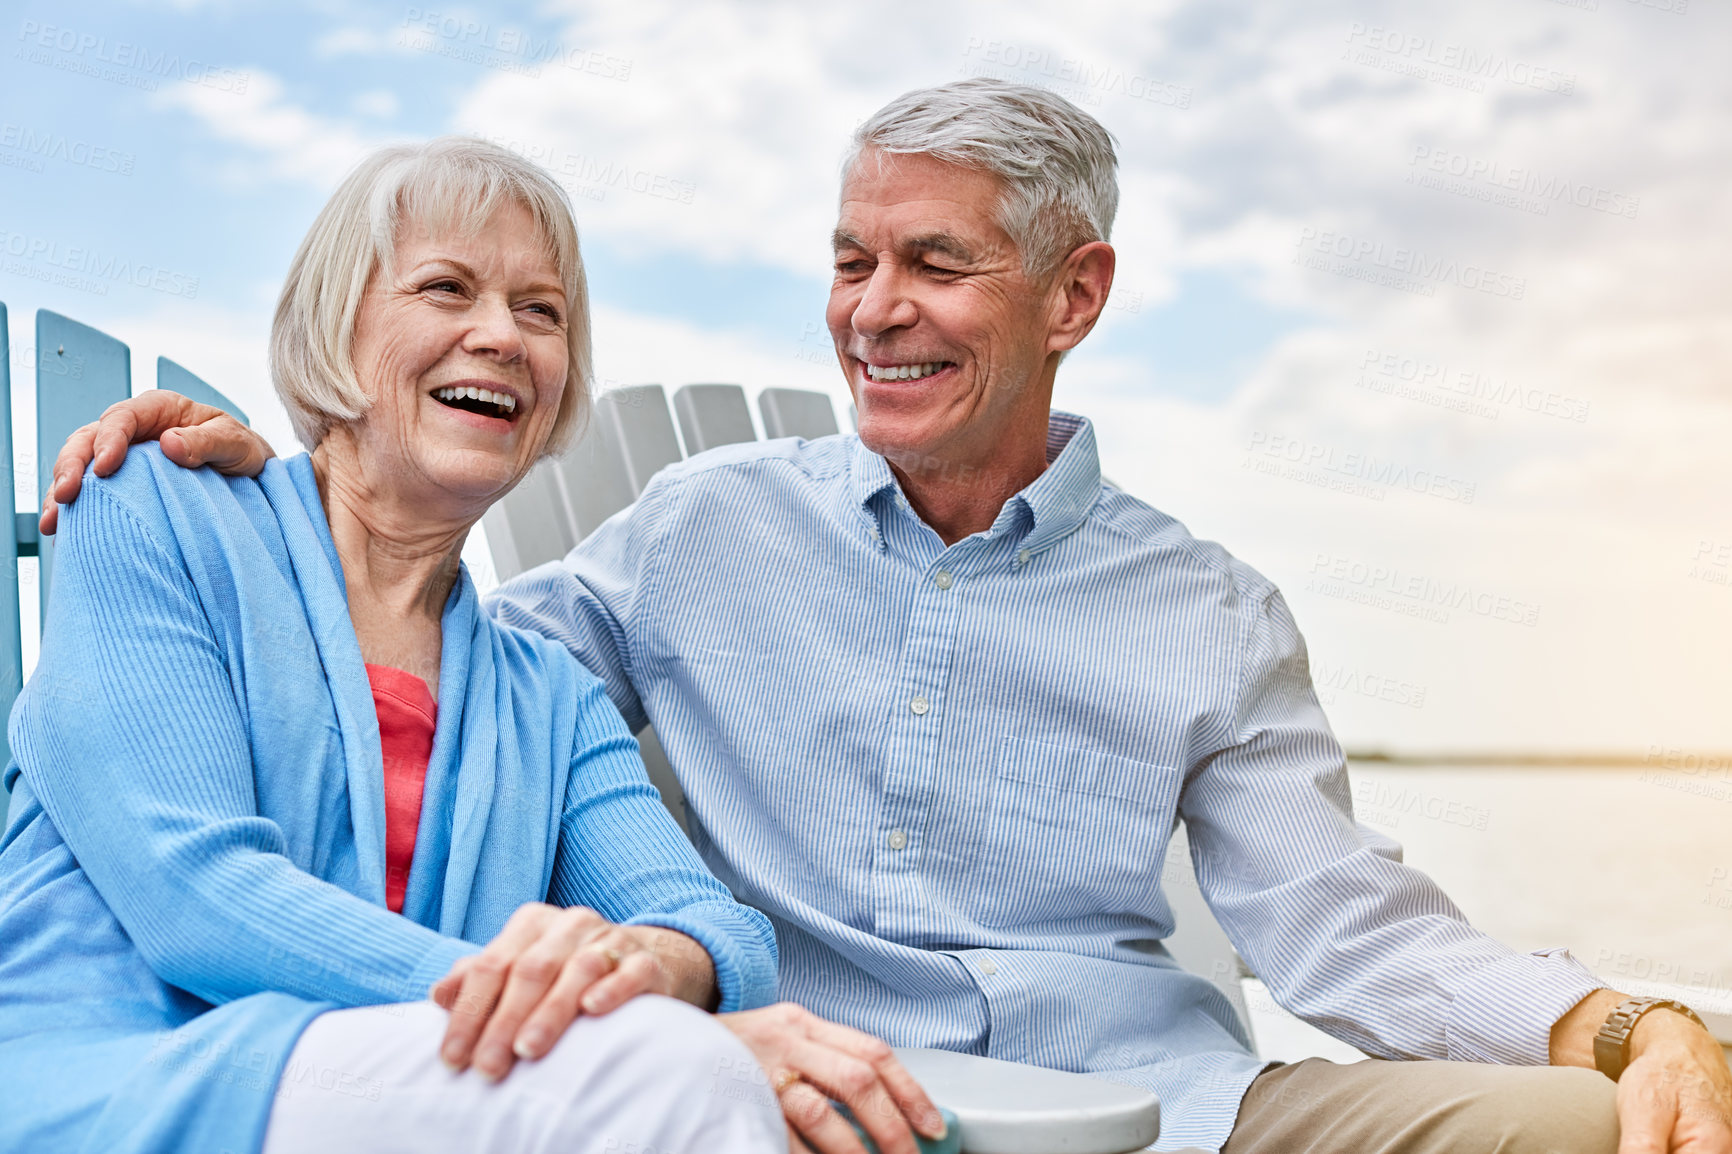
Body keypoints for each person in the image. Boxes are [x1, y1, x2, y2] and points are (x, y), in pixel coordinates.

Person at [41, 81, 1732, 1154]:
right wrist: (280, 460)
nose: (873, 311)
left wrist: (1626, 1019)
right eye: (851, 261)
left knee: (1641, 1114)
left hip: (1166, 1112)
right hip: (815, 1098)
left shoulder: (1206, 613)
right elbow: (362, 655)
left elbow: (1348, 935)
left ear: (1074, 296)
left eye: (931, 263)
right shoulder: (687, 537)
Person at [0, 136, 945, 1154]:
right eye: (446, 288)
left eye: (541, 310)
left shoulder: (548, 690)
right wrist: (581, 1014)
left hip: (436, 1083)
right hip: (134, 1072)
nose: (501, 334)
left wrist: (645, 969)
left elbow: (712, 929)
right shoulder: (155, 512)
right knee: (682, 1076)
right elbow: (192, 891)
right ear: (334, 324)